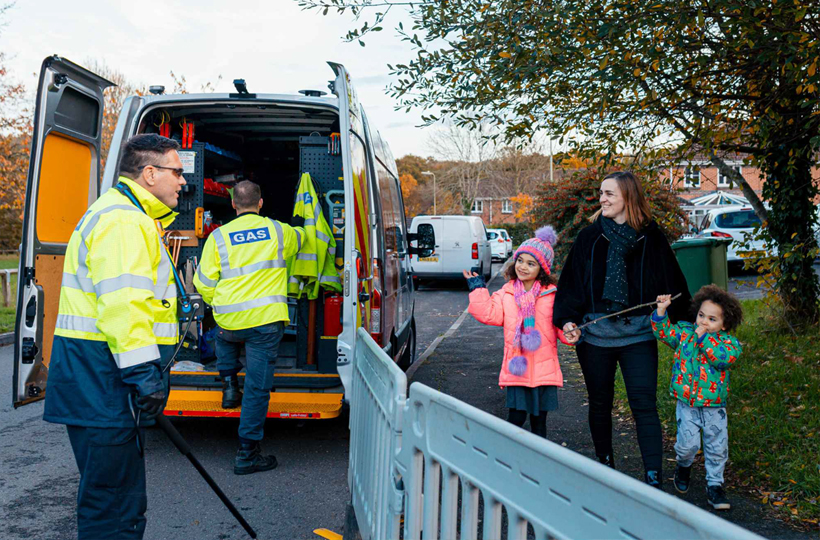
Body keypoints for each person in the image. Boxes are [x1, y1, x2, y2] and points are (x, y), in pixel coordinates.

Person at [43, 134, 185, 539]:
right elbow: (123, 305)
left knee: (114, 498)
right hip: (103, 382)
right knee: (114, 506)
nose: (182, 182)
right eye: (176, 172)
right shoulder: (124, 220)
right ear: (150, 172)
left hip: (98, 381)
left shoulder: (124, 214)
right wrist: (143, 373)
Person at [554, 171, 691, 488]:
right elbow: (572, 285)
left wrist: (682, 319)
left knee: (644, 405)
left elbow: (676, 284)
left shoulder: (650, 237)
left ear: (628, 197)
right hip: (595, 339)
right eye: (601, 193)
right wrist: (567, 321)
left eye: (609, 194)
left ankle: (653, 476)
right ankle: (605, 468)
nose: (602, 199)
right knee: (599, 403)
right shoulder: (589, 237)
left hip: (640, 337)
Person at [194, 180, 304, 475]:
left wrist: (218, 302)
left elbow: (202, 283)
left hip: (229, 320)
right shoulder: (280, 231)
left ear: (232, 204)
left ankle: (229, 385)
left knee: (224, 338)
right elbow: (303, 240)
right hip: (265, 323)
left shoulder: (218, 238)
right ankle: (247, 454)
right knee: (257, 388)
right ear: (261, 203)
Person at [463, 226, 573, 438]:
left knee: (539, 425)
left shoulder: (552, 296)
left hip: (544, 371)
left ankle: (536, 465)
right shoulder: (507, 293)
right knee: (515, 420)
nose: (523, 267)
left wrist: (571, 332)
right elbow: (488, 314)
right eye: (520, 260)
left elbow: (562, 328)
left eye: (531, 264)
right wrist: (477, 288)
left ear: (541, 269)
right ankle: (508, 461)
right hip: (518, 369)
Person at [653, 285, 743, 510]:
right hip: (687, 404)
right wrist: (661, 311)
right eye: (701, 315)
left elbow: (723, 359)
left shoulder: (728, 344)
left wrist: (705, 340)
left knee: (717, 446)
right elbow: (663, 333)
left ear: (725, 324)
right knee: (687, 445)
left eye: (712, 319)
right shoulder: (685, 333)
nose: (703, 322)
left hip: (714, 406)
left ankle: (715, 485)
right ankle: (683, 466)